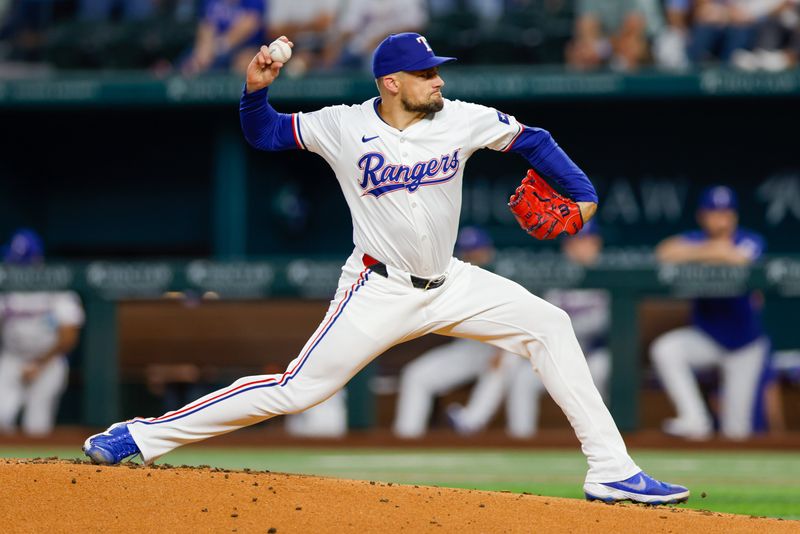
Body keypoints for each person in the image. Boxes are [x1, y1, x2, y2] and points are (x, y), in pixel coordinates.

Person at [84, 32, 689, 505]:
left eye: (438, 70)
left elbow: (534, 140)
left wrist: (581, 195)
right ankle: (138, 436)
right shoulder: (344, 124)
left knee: (550, 325)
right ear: (391, 81)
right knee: (297, 390)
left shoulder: (460, 118)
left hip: (452, 281)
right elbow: (265, 135)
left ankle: (612, 471)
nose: (438, 80)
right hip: (378, 287)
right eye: (426, 73)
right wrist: (255, 90)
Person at [446, 221, 612, 438]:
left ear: (597, 243)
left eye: (585, 241)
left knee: (599, 370)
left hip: (594, 352)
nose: (579, 247)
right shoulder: (558, 275)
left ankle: (603, 436)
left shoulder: (609, 273)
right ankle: (519, 439)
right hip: (558, 350)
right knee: (519, 372)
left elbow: (609, 324)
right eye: (574, 242)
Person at [650, 185, 770, 441]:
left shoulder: (750, 239)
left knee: (736, 432)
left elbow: (740, 258)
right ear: (703, 216)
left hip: (744, 344)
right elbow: (664, 252)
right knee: (667, 349)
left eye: (726, 213)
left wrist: (700, 255)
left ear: (734, 216)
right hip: (707, 337)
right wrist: (711, 251)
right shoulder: (697, 239)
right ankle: (695, 419)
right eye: (715, 213)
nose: (721, 219)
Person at [392, 226, 522, 439]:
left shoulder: (505, 274)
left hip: (505, 346)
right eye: (469, 252)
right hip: (470, 348)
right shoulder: (453, 276)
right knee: (416, 375)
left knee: (508, 359)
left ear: (489, 250)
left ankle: (471, 422)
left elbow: (520, 321)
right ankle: (406, 438)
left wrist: (502, 346)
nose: (474, 256)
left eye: (478, 251)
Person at [0, 229, 85, 436]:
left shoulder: (56, 286)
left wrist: (39, 363)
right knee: (2, 415)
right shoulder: (6, 285)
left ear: (36, 261)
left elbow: (69, 334)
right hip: (13, 358)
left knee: (37, 424)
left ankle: (40, 469)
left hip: (49, 360)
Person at [565, 0, 664, 71]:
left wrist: (607, 47)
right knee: (580, 53)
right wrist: (596, 47)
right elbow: (587, 26)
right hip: (600, 43)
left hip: (623, 41)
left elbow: (633, 25)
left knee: (634, 47)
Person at [181, 0, 265, 76]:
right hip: (214, 47)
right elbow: (206, 24)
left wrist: (217, 47)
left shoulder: (254, 2)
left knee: (245, 65)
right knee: (189, 66)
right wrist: (204, 48)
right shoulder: (209, 2)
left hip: (244, 47)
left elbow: (249, 24)